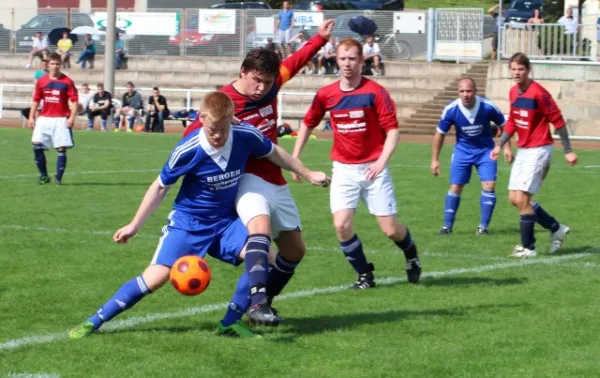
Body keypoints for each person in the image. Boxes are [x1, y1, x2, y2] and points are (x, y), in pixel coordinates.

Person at [68, 91, 330, 339]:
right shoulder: (189, 149)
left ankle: (229, 322)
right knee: (156, 278)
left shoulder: (244, 134)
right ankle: (94, 320)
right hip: (188, 224)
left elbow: (275, 152)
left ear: (232, 119)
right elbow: (160, 186)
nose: (217, 135)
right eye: (212, 129)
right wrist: (134, 225)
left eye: (223, 129)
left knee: (264, 256)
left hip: (225, 223)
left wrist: (307, 173)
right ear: (201, 118)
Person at [183, 19, 334, 324]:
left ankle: (262, 306)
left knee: (294, 252)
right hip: (246, 179)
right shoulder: (226, 102)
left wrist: (319, 39)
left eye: (266, 82)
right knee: (259, 228)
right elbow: (196, 132)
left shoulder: (273, 83)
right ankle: (257, 304)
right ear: (242, 72)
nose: (261, 88)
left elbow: (296, 61)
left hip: (276, 177)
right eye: (256, 80)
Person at [291, 37, 422, 289]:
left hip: (374, 168)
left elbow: (393, 131)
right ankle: (365, 275)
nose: (347, 64)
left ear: (362, 61)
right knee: (341, 225)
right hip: (343, 169)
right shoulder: (326, 94)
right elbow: (308, 123)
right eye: (342, 58)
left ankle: (411, 255)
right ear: (336, 60)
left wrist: (381, 162)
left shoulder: (375, 92)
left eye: (352, 58)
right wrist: (295, 157)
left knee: (390, 229)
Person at [490, 53, 577, 258]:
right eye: (513, 69)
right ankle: (556, 227)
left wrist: (568, 151)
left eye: (521, 69)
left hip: (540, 149)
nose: (517, 73)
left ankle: (528, 248)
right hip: (524, 149)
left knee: (523, 198)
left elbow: (558, 121)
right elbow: (512, 121)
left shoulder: (539, 93)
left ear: (528, 70)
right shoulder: (513, 92)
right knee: (514, 198)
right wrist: (499, 145)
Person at [431, 78, 512, 235]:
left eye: (468, 91)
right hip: (463, 152)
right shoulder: (451, 109)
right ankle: (447, 226)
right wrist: (435, 159)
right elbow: (440, 134)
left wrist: (506, 147)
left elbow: (504, 125)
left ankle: (483, 227)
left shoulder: (488, 107)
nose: (465, 94)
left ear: (475, 91)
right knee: (455, 187)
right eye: (462, 91)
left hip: (485, 151)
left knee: (489, 185)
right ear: (458, 93)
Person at [28, 52, 78, 185]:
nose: (55, 66)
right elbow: (36, 100)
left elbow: (74, 101)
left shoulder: (67, 81)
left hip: (61, 119)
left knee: (61, 148)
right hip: (44, 118)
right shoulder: (42, 81)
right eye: (52, 64)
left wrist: (72, 118)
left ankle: (58, 178)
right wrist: (31, 117)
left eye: (57, 64)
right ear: (48, 65)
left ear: (60, 65)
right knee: (36, 145)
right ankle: (44, 175)